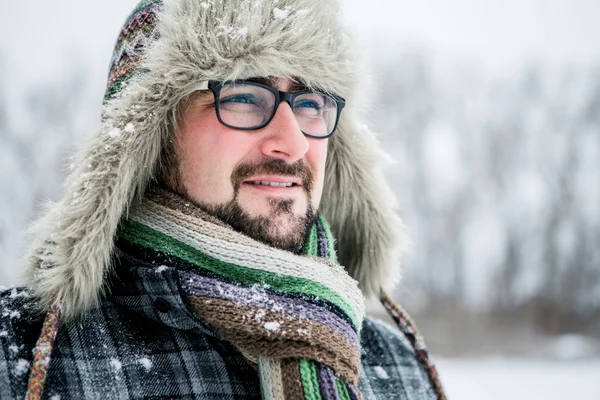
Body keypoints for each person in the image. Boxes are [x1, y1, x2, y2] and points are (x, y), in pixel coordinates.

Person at [0, 0, 446, 399]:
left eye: (311, 103)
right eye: (244, 96)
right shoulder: (25, 357)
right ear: (151, 137)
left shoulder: (397, 370)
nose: (291, 143)